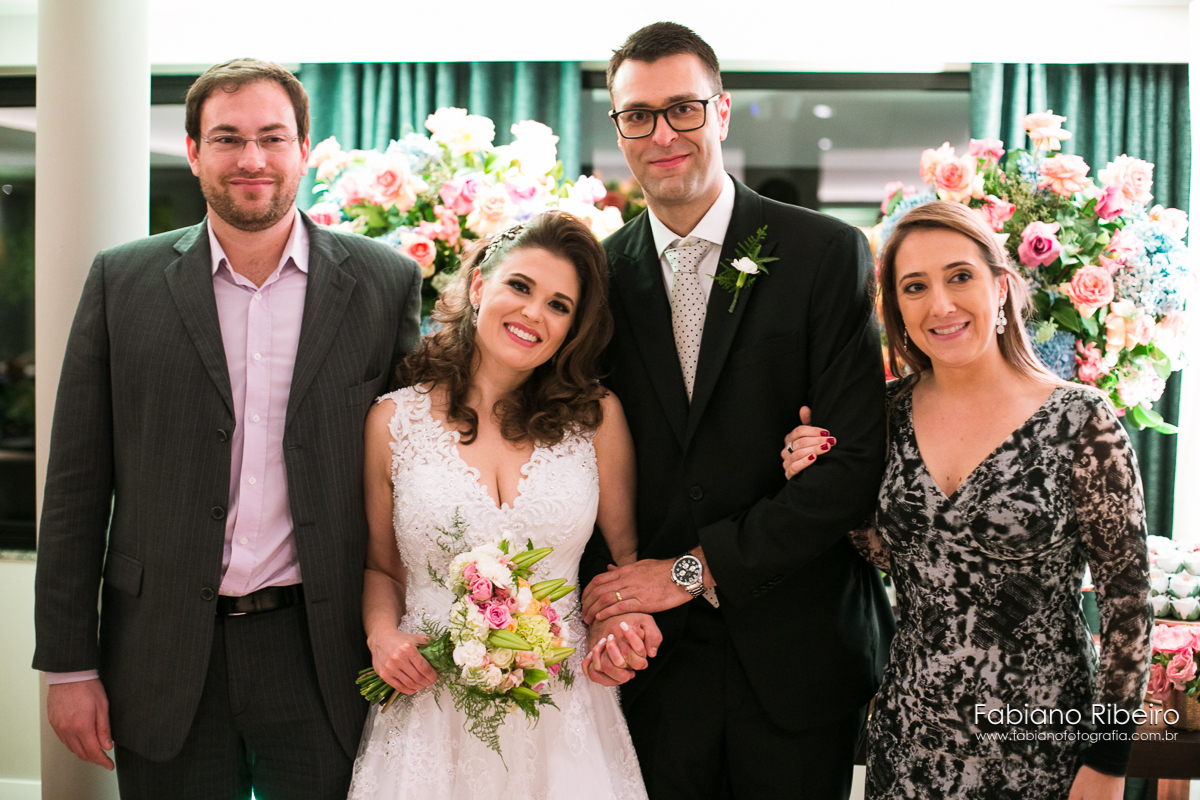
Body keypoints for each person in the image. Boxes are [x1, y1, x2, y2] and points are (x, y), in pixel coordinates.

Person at [32, 58, 423, 799]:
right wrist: (69, 665)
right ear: (193, 151)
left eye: (272, 137)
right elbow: (75, 485)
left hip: (323, 651)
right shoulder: (122, 282)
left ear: (303, 150)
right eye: (227, 138)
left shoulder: (385, 282)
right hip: (161, 651)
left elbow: (412, 472)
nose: (252, 158)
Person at [578, 22, 895, 800]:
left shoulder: (824, 254)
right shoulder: (596, 279)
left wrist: (690, 571)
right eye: (638, 115)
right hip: (654, 664)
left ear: (720, 111)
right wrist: (607, 606)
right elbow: (570, 461)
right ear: (618, 129)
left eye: (682, 109)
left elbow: (855, 464)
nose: (662, 134)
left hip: (797, 653)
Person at [784, 200, 1153, 800]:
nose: (941, 305)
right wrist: (815, 474)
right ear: (896, 309)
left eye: (960, 276)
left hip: (1041, 747)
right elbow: (895, 553)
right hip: (910, 741)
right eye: (915, 286)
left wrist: (1109, 761)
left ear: (1000, 287)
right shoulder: (881, 415)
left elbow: (1128, 607)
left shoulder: (1081, 420)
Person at [348, 211, 654, 799]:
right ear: (479, 285)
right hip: (430, 702)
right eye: (520, 286)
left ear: (572, 329)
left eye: (559, 305)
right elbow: (382, 567)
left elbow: (626, 563)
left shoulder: (597, 419)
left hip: (564, 707)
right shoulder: (393, 420)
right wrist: (383, 636)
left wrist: (614, 629)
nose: (534, 313)